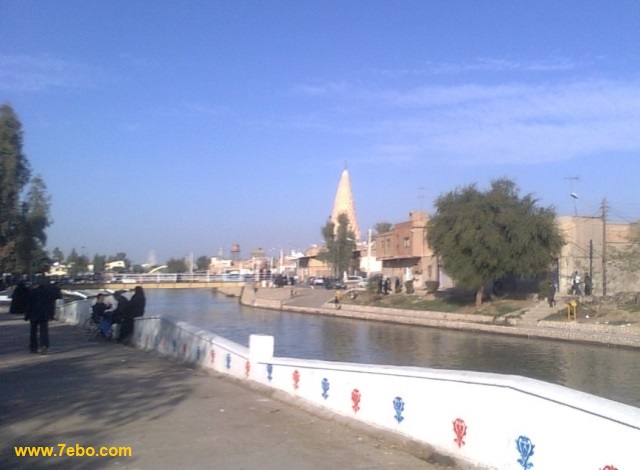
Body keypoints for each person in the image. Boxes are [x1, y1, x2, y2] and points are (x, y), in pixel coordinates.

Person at [25, 278, 61, 354]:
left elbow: (29, 305)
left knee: (33, 331)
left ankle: (33, 347)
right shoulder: (49, 292)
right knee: (44, 331)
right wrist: (52, 314)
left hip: (33, 314)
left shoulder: (33, 292)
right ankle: (44, 345)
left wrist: (27, 315)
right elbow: (52, 304)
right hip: (45, 314)